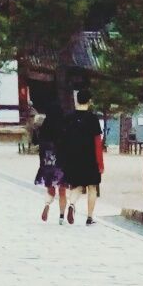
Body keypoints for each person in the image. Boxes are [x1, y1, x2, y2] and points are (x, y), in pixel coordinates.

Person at [53, 91, 103, 224]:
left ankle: (72, 205)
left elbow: (62, 140)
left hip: (73, 159)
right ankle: (89, 217)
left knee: (78, 186)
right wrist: (100, 163)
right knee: (92, 187)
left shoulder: (69, 118)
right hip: (90, 158)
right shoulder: (93, 119)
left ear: (77, 100)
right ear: (89, 101)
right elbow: (97, 142)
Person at [31, 117, 66, 223]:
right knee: (62, 192)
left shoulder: (42, 138)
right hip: (60, 166)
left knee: (50, 190)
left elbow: (35, 144)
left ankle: (47, 204)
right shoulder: (60, 134)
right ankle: (61, 217)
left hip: (46, 166)